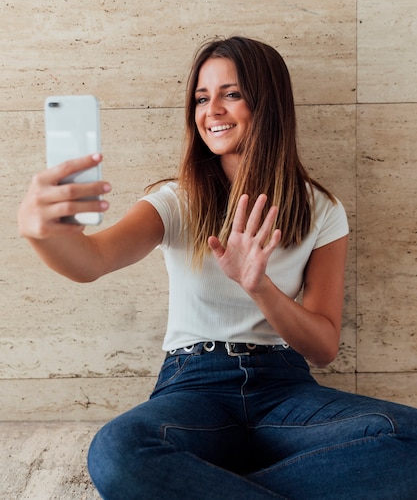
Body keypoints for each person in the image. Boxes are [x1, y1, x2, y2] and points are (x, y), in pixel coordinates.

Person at [18, 36, 417, 500]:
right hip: (194, 387)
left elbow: (323, 346)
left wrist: (259, 286)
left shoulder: (321, 209)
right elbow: (91, 261)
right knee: (117, 450)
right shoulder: (175, 201)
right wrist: (40, 232)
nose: (213, 110)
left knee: (408, 439)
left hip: (284, 393)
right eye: (202, 98)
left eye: (231, 94)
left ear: (267, 103)